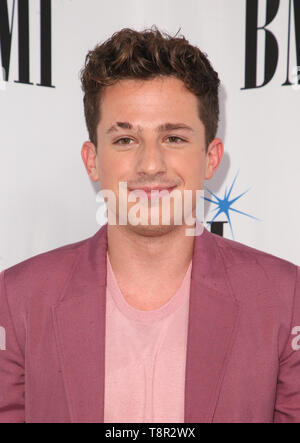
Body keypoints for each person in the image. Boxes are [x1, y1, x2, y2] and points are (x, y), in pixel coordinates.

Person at [0, 26, 299, 424]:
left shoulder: (284, 297)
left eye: (174, 138)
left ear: (211, 157)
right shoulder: (18, 298)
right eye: (125, 140)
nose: (151, 164)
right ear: (92, 160)